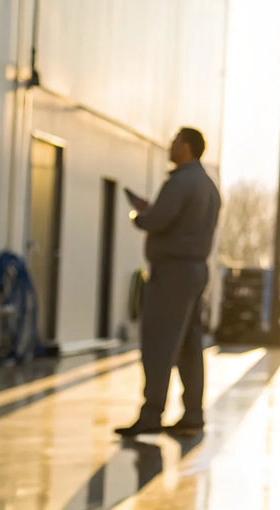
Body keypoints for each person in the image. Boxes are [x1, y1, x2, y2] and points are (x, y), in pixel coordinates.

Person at [115, 127, 222, 437]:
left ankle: (151, 414)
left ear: (186, 147)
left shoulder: (180, 182)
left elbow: (157, 221)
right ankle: (193, 414)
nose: (170, 145)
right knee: (190, 346)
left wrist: (139, 216)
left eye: (175, 141)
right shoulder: (209, 186)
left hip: (172, 272)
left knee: (159, 344)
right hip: (196, 271)